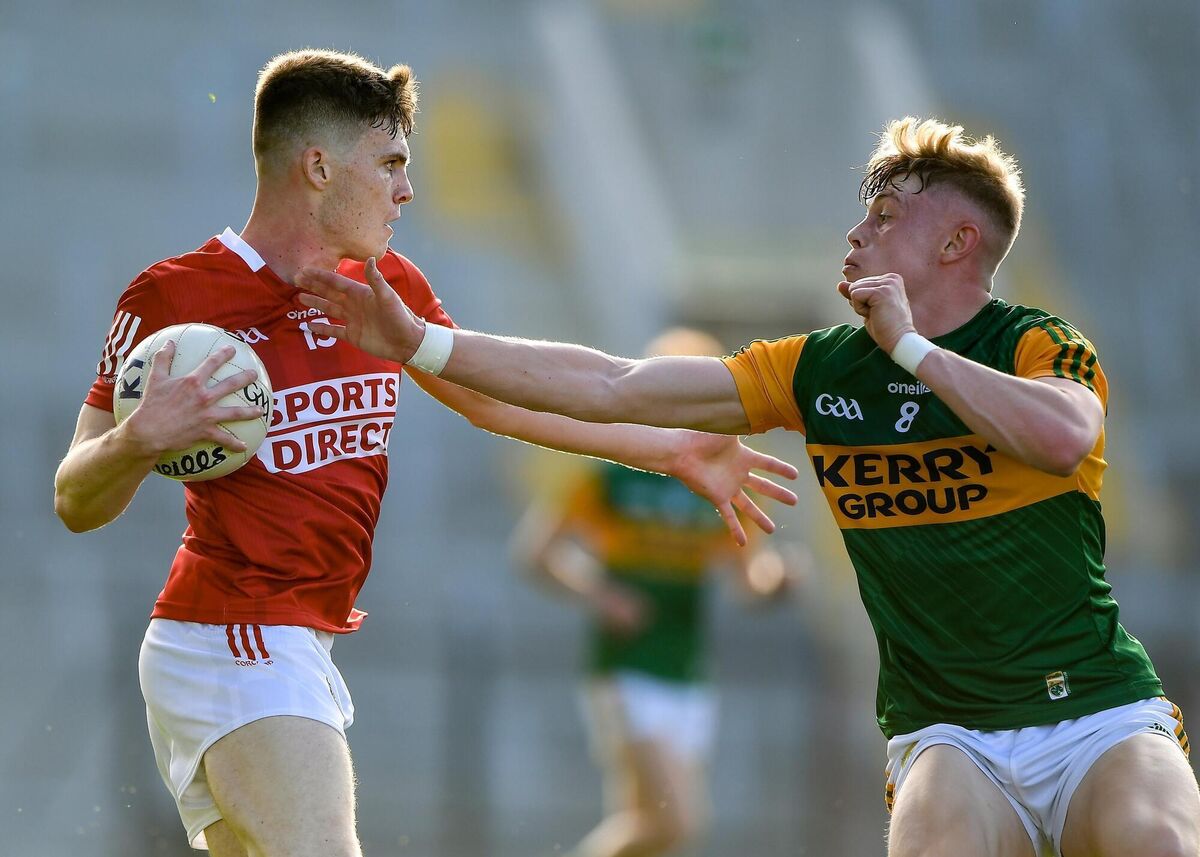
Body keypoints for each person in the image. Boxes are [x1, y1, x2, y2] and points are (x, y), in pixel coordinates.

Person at [296, 116, 1200, 857]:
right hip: (951, 732)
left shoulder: (1038, 344)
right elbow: (613, 384)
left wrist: (913, 352)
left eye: (885, 216)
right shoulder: (816, 369)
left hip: (1094, 710)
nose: (857, 231)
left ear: (960, 241)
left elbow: (1059, 436)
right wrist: (421, 340)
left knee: (1156, 835)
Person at [52, 49, 799, 857]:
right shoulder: (171, 299)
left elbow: (496, 397)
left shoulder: (385, 286)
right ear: (317, 167)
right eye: (391, 163)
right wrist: (138, 437)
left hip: (292, 643)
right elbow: (75, 499)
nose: (407, 188)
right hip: (233, 636)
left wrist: (670, 450)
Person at [512, 327, 799, 857]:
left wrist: (779, 583)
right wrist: (601, 596)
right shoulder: (614, 472)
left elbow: (749, 583)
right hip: (627, 661)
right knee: (675, 823)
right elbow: (537, 554)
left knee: (649, 829)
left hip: (687, 668)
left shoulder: (722, 478)